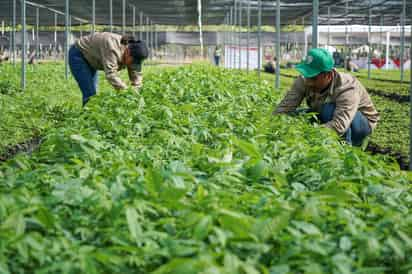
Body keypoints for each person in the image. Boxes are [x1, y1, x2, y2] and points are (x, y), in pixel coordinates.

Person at [273, 48, 379, 147]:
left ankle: (344, 150)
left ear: (328, 75)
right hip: (325, 114)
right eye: (307, 75)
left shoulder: (346, 86)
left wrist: (306, 135)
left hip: (360, 125)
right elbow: (285, 108)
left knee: (329, 110)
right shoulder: (304, 80)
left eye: (313, 78)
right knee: (297, 116)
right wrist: (273, 126)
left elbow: (339, 125)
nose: (309, 82)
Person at [69, 32, 149, 106]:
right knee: (90, 95)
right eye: (133, 61)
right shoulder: (112, 47)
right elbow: (111, 75)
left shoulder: (133, 54)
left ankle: (88, 115)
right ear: (128, 51)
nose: (132, 65)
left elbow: (136, 77)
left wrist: (137, 95)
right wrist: (126, 92)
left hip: (92, 58)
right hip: (79, 55)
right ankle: (86, 119)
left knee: (93, 94)